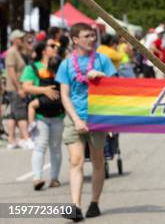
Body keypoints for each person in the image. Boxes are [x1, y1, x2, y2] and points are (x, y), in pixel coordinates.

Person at [57, 23, 116, 222]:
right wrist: (75, 119)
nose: (92, 39)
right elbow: (64, 95)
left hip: (97, 117)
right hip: (75, 117)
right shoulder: (66, 64)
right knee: (76, 161)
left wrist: (102, 77)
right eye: (87, 35)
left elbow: (117, 87)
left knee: (98, 161)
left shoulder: (102, 60)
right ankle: (75, 206)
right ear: (75, 40)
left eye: (93, 35)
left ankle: (95, 202)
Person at [20, 39, 64, 191]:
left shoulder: (61, 65)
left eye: (56, 46)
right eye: (52, 46)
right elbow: (26, 87)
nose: (55, 48)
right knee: (40, 146)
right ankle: (37, 178)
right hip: (40, 115)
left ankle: (54, 178)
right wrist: (44, 91)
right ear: (43, 50)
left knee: (56, 147)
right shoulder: (32, 67)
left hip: (58, 114)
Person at [5, 29, 32, 149]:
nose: (23, 40)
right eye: (21, 39)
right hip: (15, 87)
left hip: (16, 87)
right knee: (21, 113)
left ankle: (12, 140)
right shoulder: (12, 52)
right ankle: (25, 138)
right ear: (14, 40)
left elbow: (30, 53)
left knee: (13, 114)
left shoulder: (18, 51)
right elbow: (11, 72)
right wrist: (19, 88)